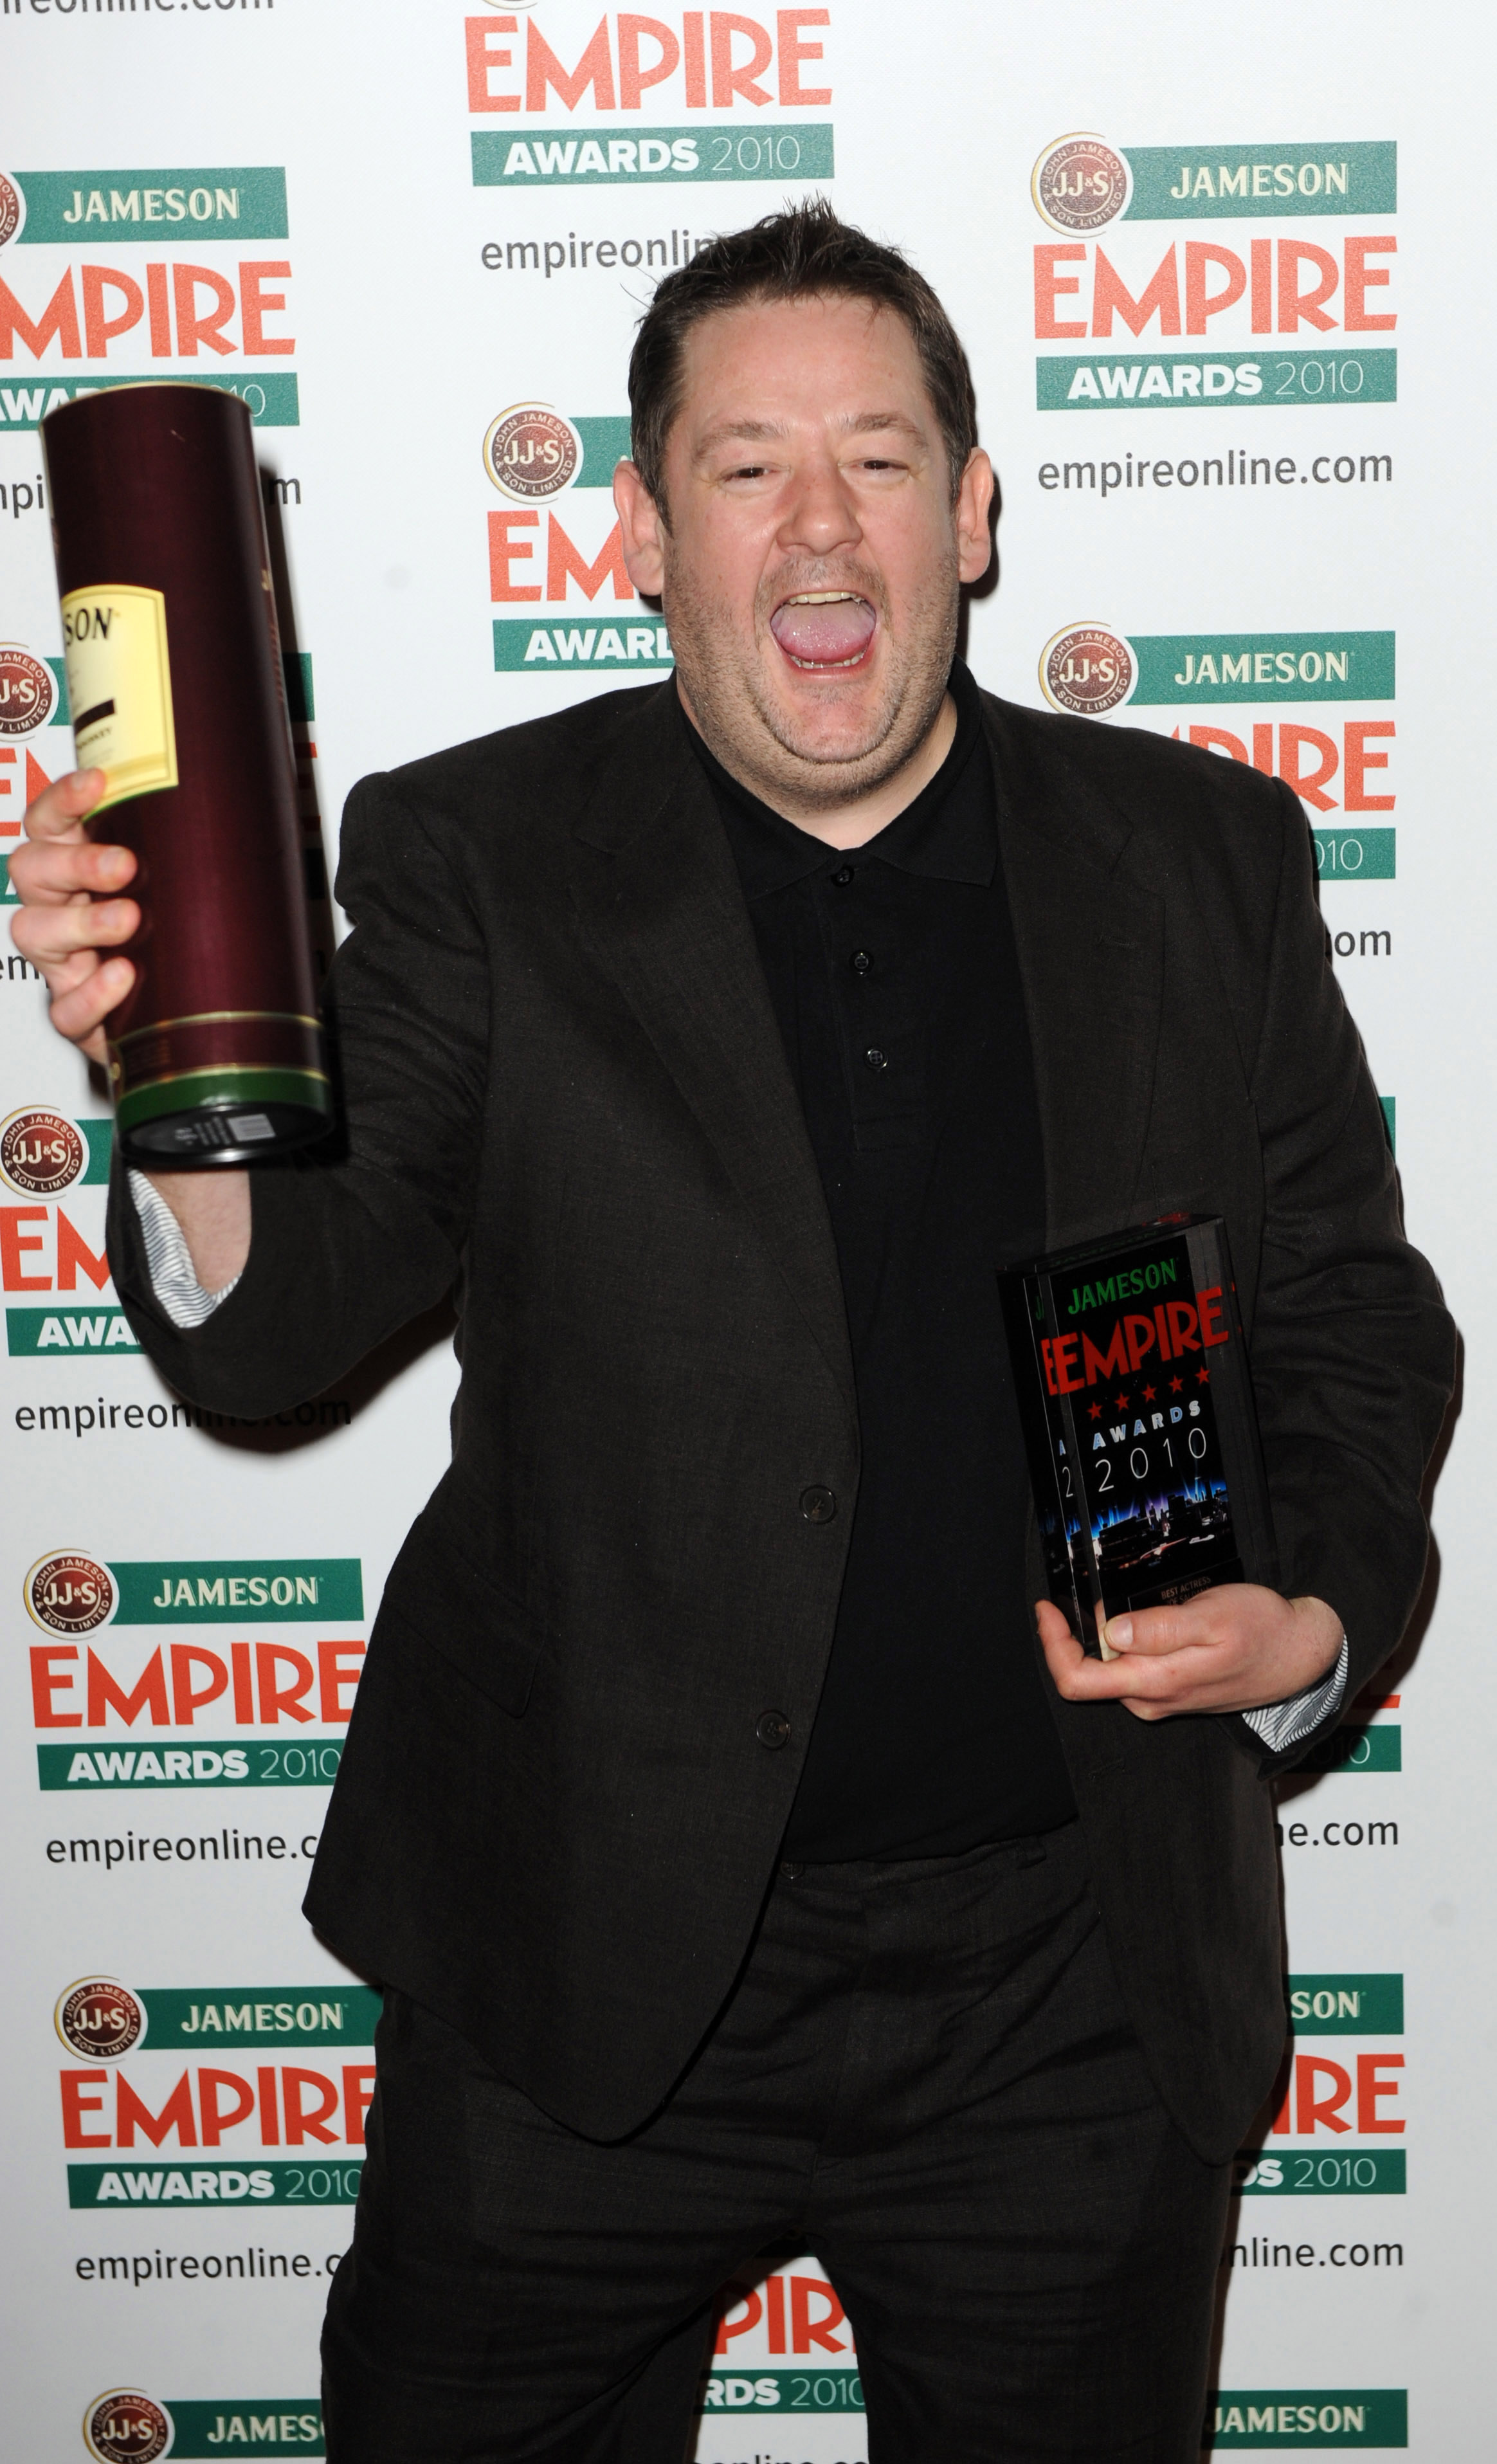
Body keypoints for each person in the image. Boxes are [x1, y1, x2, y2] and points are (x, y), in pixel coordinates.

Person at [12, 202, 1453, 2463]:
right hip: (577, 1966)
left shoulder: (1203, 860)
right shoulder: (481, 855)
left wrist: (1314, 1627)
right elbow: (278, 1330)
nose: (817, 526)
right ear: (640, 530)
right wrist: (172, 1080)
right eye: (744, 466)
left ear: (971, 518)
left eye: (880, 462)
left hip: (1066, 1985)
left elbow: (1360, 1328)